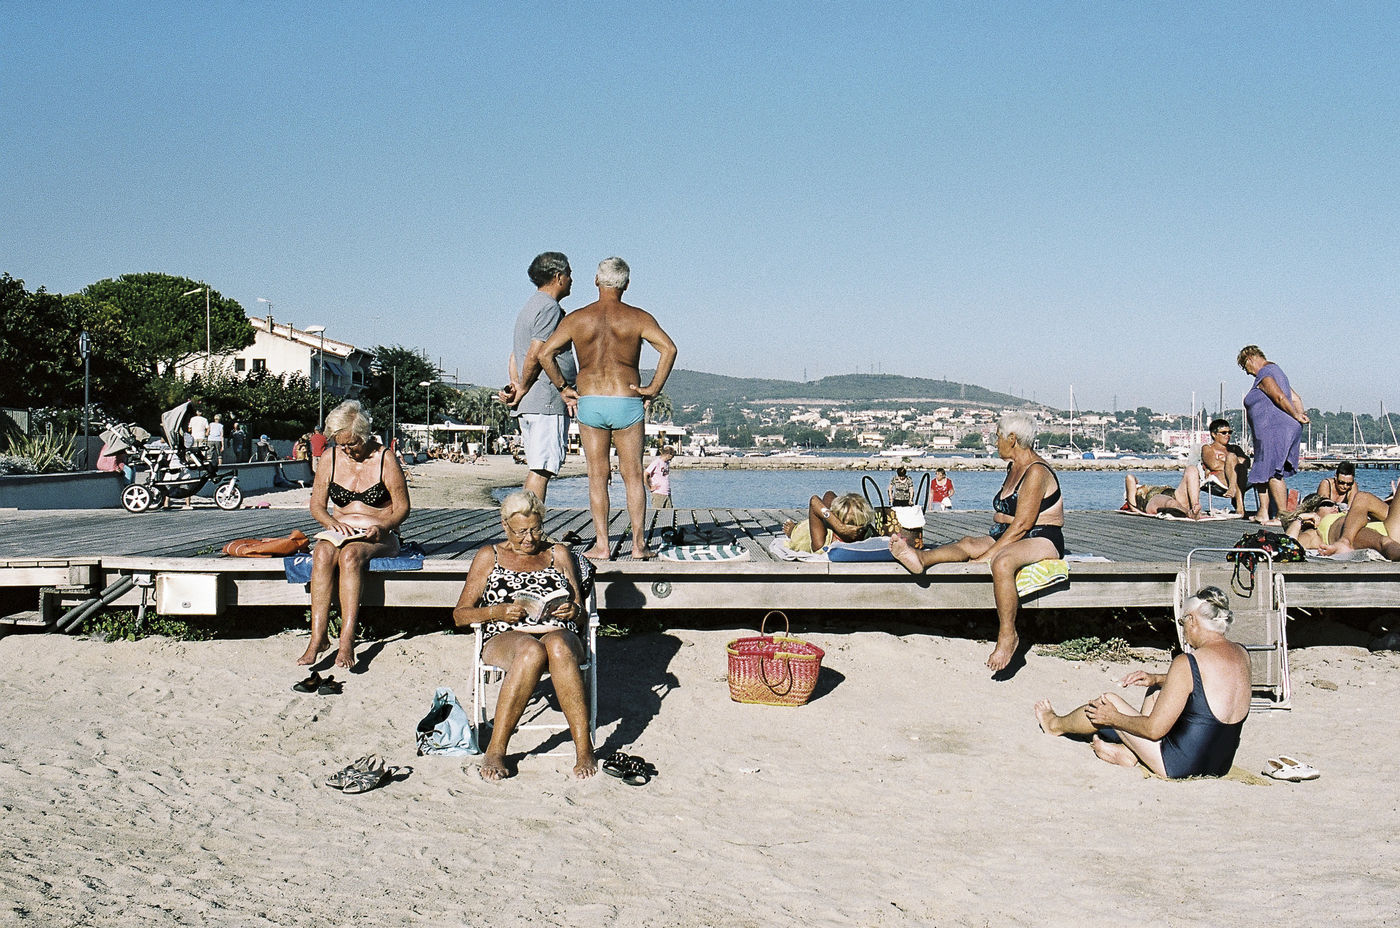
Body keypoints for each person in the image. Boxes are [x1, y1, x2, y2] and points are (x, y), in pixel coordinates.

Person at [890, 412, 1064, 674]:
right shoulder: (1013, 467)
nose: (996, 442)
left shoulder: (1036, 471)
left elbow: (1023, 525)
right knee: (968, 543)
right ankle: (921, 558)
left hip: (1041, 536)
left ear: (1012, 439)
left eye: (998, 436)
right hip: (1008, 532)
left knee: (1003, 562)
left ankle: (1008, 635)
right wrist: (986, 548)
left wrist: (989, 555)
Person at [534, 257, 678, 561]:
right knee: (633, 475)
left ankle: (602, 545)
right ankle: (638, 545)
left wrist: (563, 388)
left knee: (597, 476)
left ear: (596, 281)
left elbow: (545, 353)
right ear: (626, 284)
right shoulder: (638, 317)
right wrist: (653, 388)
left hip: (591, 401)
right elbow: (669, 349)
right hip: (626, 400)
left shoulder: (577, 318)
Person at [451, 490, 595, 781]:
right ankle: (496, 749)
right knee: (530, 650)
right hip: (507, 635)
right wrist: (497, 612)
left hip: (558, 632)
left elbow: (581, 612)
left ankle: (584, 750)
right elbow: (460, 615)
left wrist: (573, 611)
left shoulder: (558, 553)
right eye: (520, 532)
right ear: (505, 526)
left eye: (536, 529)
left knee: (557, 646)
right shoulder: (489, 556)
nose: (529, 539)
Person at [1034, 586, 1250, 779]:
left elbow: (1154, 730)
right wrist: (1157, 679)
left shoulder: (1187, 661)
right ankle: (1128, 752)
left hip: (1179, 766)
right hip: (1219, 765)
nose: (1183, 630)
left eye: (1182, 622)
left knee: (1108, 702)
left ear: (1192, 620)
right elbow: (1210, 685)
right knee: (1156, 690)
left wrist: (1113, 718)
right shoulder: (1242, 653)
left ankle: (1054, 725)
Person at [299, 401, 410, 670]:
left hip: (379, 533)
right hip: (341, 530)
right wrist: (331, 523)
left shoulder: (385, 458)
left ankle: (347, 639)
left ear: (365, 435)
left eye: (352, 444)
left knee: (350, 556)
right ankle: (318, 637)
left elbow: (403, 508)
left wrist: (383, 527)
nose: (347, 450)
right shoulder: (331, 457)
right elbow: (317, 506)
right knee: (322, 553)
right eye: (342, 445)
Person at [498, 251, 576, 504]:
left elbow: (515, 355)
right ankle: (529, 523)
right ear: (558, 277)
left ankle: (526, 521)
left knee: (537, 467)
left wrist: (516, 384)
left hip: (533, 402)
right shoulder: (549, 308)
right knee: (542, 469)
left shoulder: (530, 307)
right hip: (545, 402)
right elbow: (536, 353)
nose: (571, 280)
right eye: (569, 274)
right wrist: (524, 388)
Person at [1239, 346, 1308, 525]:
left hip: (1275, 430)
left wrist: (1296, 415)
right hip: (1274, 430)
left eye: (1245, 367)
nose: (1247, 372)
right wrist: (1299, 416)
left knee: (1273, 472)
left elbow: (1279, 397)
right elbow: (1296, 398)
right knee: (1263, 469)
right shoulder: (1277, 372)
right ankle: (1263, 512)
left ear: (1250, 358)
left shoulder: (1265, 373)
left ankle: (1281, 515)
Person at [1317, 491, 1400, 561]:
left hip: (1393, 532)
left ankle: (1345, 542)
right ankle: (1345, 542)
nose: (1334, 506)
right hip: (1392, 541)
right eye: (1327, 504)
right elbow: (1308, 539)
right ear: (1314, 511)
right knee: (1385, 542)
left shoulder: (1354, 517)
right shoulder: (1326, 523)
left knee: (1362, 497)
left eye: (1335, 504)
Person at [781, 492, 875, 553]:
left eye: (862, 525)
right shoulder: (823, 542)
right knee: (794, 532)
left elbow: (828, 494)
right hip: (801, 533)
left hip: (818, 523)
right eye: (852, 524)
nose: (859, 530)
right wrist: (839, 527)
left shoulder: (864, 532)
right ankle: (792, 530)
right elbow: (814, 500)